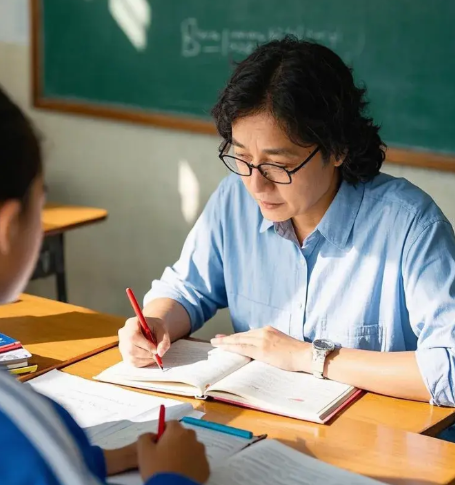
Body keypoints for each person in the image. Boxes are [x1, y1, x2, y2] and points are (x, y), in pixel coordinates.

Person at [0, 69, 209, 485]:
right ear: (4, 227)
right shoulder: (3, 423)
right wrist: (176, 478)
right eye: (41, 200)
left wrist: (78, 458)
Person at [118, 36, 455, 407]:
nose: (255, 183)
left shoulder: (410, 226)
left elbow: (450, 369)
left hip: (380, 445)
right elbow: (186, 290)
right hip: (268, 429)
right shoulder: (235, 199)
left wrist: (309, 357)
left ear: (337, 147)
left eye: (278, 164)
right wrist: (156, 323)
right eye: (242, 157)